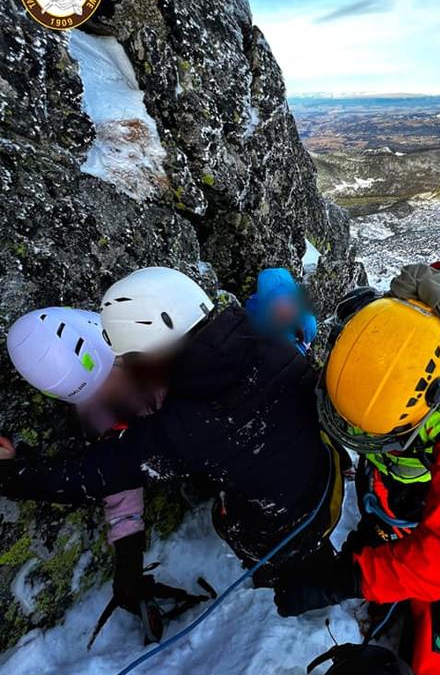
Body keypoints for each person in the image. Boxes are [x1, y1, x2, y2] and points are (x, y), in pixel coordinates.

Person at [0, 267, 344, 616]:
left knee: (248, 532)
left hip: (278, 532)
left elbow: (100, 472)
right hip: (327, 480)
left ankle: (288, 586)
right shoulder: (262, 333)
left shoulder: (190, 426)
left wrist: (15, 472)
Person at [274, 260, 440, 675]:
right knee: (386, 497)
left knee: (432, 582)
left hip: (426, 490)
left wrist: (347, 579)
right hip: (393, 480)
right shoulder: (383, 333)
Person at [3, 306, 205, 643]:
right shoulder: (102, 410)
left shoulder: (168, 353)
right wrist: (128, 561)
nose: (107, 394)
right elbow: (117, 473)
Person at [245, 267, 317, 355]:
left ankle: (302, 345)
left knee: (309, 323)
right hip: (275, 338)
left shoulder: (292, 299)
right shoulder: (255, 309)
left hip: (287, 331)